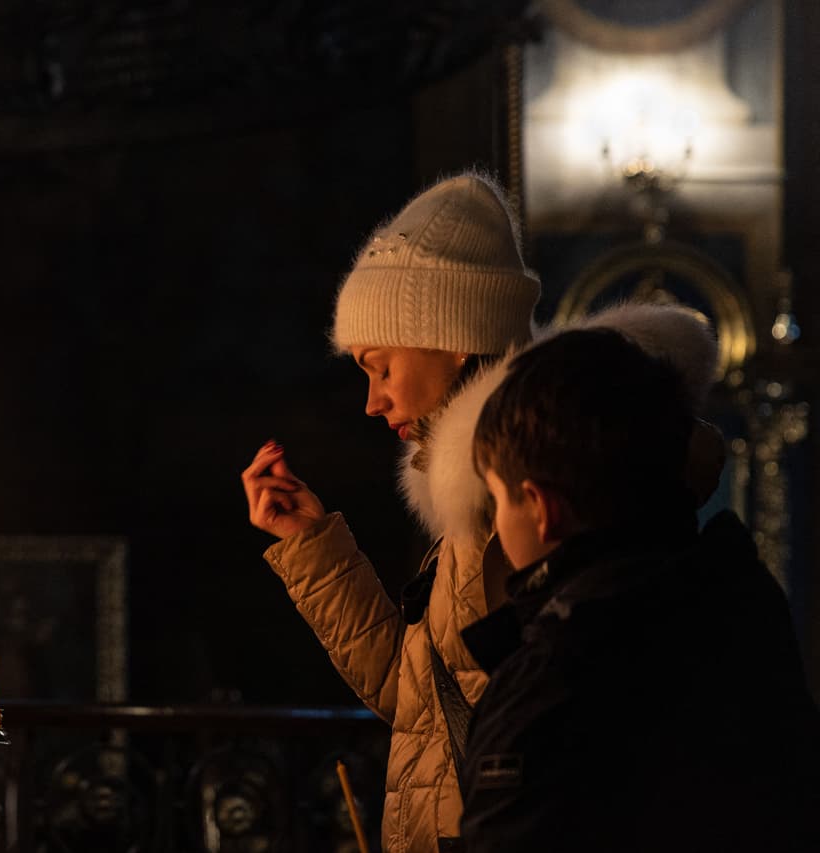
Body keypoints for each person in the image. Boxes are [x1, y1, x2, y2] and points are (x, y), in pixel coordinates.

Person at [240, 171, 720, 852]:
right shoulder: (485, 492)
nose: (372, 402)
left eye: (381, 367)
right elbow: (421, 698)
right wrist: (315, 546)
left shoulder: (515, 497)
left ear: (453, 337)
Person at [462, 327, 820, 853]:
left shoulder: (555, 676)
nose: (496, 522)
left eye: (498, 500)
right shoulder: (739, 607)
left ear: (541, 508)